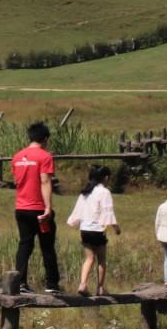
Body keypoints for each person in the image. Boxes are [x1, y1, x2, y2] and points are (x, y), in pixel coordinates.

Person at [10, 121, 60, 293]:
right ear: (45, 139)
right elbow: (45, 180)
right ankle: (51, 284)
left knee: (25, 245)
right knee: (47, 246)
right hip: (38, 208)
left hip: (21, 208)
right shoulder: (44, 156)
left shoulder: (17, 157)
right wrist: (48, 208)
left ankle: (20, 282)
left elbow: (17, 181)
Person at [68, 165, 121, 297]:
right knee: (101, 258)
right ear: (106, 178)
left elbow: (78, 210)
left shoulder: (86, 191)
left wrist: (75, 222)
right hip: (98, 229)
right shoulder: (104, 192)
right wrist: (115, 227)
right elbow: (107, 211)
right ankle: (100, 287)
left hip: (85, 229)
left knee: (89, 258)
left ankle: (83, 284)